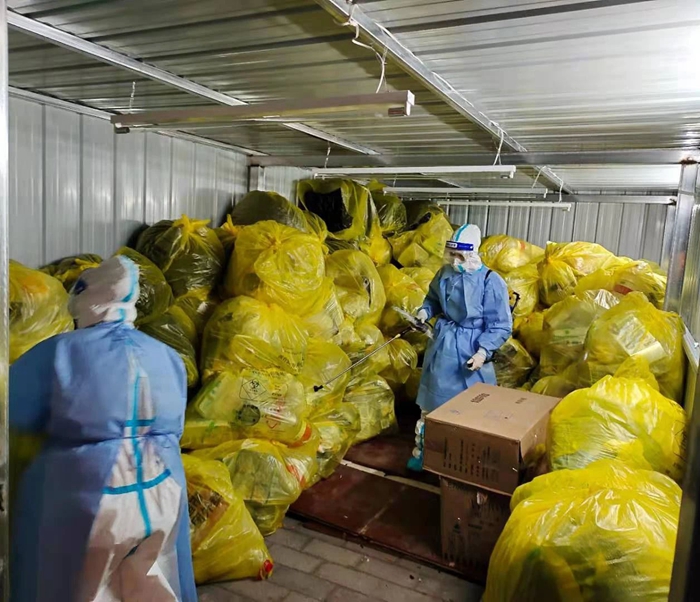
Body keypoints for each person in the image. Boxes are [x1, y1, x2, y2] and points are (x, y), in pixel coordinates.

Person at [10, 256, 197, 602]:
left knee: (78, 588)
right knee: (153, 584)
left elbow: (14, 411)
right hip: (163, 488)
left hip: (92, 496)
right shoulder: (168, 356)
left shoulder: (59, 352)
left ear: (85, 303)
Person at [408, 224, 512, 471]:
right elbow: (433, 299)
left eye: (460, 256)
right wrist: (424, 312)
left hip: (472, 348)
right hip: (443, 345)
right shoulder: (445, 273)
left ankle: (468, 459)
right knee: (431, 405)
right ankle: (424, 452)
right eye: (452, 255)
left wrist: (483, 351)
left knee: (474, 409)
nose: (455, 261)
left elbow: (500, 324)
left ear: (473, 253)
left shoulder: (490, 281)